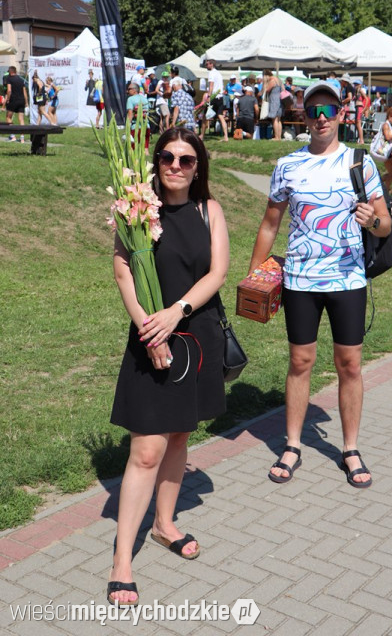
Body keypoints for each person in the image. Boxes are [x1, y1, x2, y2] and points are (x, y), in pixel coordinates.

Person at [249, 81, 392, 488]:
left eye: (330, 109)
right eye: (314, 111)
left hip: (348, 279)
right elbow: (270, 223)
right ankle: (292, 444)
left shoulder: (360, 163)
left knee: (349, 364)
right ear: (304, 117)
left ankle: (349, 448)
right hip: (300, 279)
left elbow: (386, 225)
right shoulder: (287, 166)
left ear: (342, 113)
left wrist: (373, 222)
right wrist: (255, 274)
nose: (323, 118)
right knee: (300, 362)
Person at [108, 128, 229, 605]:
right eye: (167, 157)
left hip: (195, 337)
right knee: (144, 452)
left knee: (180, 433)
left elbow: (218, 272)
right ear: (155, 161)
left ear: (198, 167)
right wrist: (147, 328)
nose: (175, 166)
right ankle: (121, 562)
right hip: (149, 339)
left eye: (186, 159)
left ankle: (163, 524)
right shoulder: (135, 207)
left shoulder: (209, 210)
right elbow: (123, 270)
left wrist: (175, 312)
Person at [204, 59, 228, 141]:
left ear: (211, 64)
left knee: (205, 116)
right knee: (220, 116)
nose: (206, 66)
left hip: (214, 97)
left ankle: (202, 135)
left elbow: (211, 85)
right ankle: (226, 137)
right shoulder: (218, 73)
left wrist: (209, 96)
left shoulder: (211, 73)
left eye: (207, 64)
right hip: (220, 97)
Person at [3, 66, 28, 141]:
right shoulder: (21, 80)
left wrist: (7, 99)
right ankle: (22, 138)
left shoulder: (9, 79)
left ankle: (13, 136)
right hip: (21, 100)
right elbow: (24, 92)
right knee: (21, 119)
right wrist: (26, 103)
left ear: (10, 72)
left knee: (8, 117)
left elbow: (9, 90)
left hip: (13, 100)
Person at [126, 82, 150, 154]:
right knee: (145, 149)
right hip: (147, 126)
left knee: (132, 148)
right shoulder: (144, 99)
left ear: (134, 90)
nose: (127, 91)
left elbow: (130, 114)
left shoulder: (130, 99)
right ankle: (147, 161)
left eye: (129, 89)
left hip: (136, 127)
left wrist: (127, 125)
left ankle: (133, 161)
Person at [379, 107, 392, 191]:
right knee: (391, 173)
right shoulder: (386, 125)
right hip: (384, 151)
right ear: (389, 116)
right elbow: (387, 137)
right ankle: (385, 191)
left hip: (388, 151)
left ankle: (379, 183)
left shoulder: (389, 125)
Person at [262, 69, 283, 141]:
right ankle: (279, 137)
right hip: (280, 100)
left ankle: (276, 137)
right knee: (279, 120)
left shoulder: (272, 80)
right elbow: (283, 89)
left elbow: (267, 90)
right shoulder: (279, 80)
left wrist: (265, 83)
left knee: (274, 119)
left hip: (274, 100)